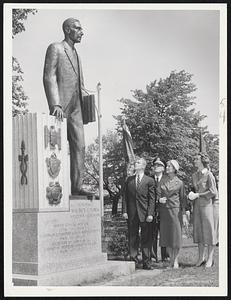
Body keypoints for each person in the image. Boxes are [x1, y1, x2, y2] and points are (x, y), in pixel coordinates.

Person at [43, 18, 89, 195]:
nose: (82, 31)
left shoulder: (76, 54)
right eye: (78, 28)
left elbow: (80, 82)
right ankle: (54, 187)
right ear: (68, 30)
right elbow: (49, 76)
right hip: (61, 106)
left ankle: (77, 187)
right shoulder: (56, 48)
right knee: (56, 147)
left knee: (80, 145)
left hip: (77, 106)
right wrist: (55, 104)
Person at [122, 157, 155, 270]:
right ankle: (133, 260)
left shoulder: (149, 180)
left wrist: (150, 213)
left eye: (138, 162)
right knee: (133, 237)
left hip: (145, 214)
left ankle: (146, 262)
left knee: (146, 238)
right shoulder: (129, 180)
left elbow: (152, 199)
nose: (136, 163)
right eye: (136, 162)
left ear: (144, 166)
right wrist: (125, 211)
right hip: (131, 214)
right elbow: (125, 197)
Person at [188, 153, 218, 268]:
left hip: (207, 206)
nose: (194, 160)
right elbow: (194, 189)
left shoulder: (209, 175)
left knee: (209, 232)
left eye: (196, 159)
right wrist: (191, 195)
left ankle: (210, 258)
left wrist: (198, 195)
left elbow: (213, 192)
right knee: (199, 232)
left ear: (202, 161)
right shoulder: (194, 175)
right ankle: (201, 257)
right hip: (196, 207)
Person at [157, 160, 188, 268]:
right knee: (167, 237)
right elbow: (157, 193)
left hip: (176, 211)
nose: (167, 167)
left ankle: (175, 260)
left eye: (169, 166)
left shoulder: (180, 182)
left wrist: (184, 214)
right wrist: (159, 199)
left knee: (176, 237)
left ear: (175, 169)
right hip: (164, 211)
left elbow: (183, 199)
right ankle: (171, 260)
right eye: (167, 165)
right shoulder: (162, 181)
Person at [150, 157, 169, 263]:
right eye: (155, 165)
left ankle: (165, 256)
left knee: (164, 233)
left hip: (165, 211)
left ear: (163, 168)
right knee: (152, 234)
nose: (156, 166)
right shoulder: (149, 179)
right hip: (152, 211)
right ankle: (153, 256)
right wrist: (158, 200)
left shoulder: (168, 179)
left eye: (159, 165)